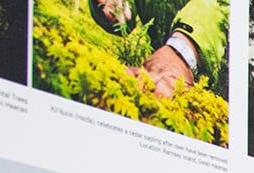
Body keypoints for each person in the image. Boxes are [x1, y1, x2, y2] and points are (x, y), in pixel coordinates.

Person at [90, 0, 229, 100]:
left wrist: (182, 51)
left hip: (221, 74)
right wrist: (116, 6)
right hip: (160, 75)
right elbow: (127, 22)